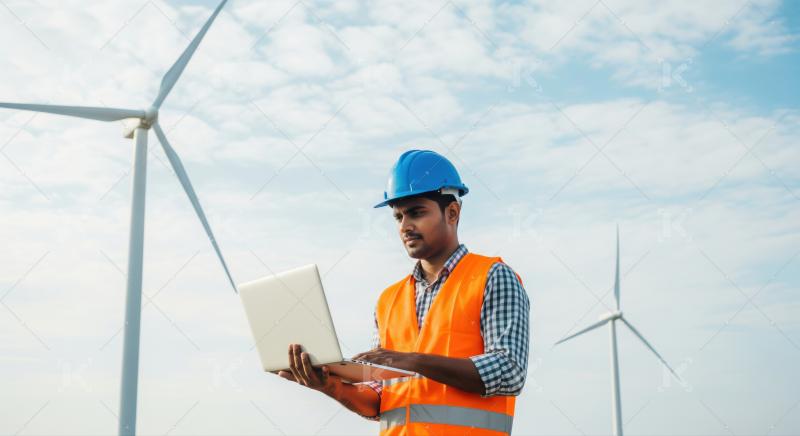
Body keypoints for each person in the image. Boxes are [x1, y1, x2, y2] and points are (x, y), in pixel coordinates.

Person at [278, 149, 531, 435]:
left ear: (452, 212)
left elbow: (510, 371)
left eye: (416, 213)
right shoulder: (389, 300)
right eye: (398, 217)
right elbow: (378, 400)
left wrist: (413, 361)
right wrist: (329, 385)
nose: (405, 226)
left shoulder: (493, 278)